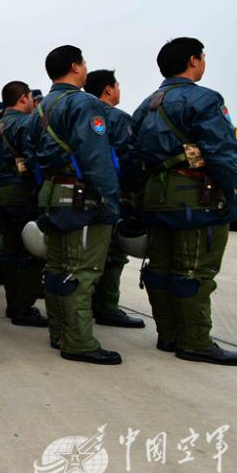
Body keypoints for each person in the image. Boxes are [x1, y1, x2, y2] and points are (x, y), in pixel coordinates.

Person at [131, 37, 237, 365]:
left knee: (161, 268)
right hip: (195, 196)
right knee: (194, 270)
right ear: (194, 60)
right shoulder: (204, 99)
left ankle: (168, 334)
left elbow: (132, 154)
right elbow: (222, 152)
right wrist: (232, 191)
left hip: (157, 197)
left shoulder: (146, 104)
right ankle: (195, 340)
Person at [33, 45, 121, 365]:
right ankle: (79, 341)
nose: (86, 68)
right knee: (81, 273)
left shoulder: (41, 108)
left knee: (57, 269)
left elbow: (35, 158)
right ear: (75, 66)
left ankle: (60, 331)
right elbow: (96, 158)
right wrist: (110, 201)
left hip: (54, 195)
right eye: (84, 63)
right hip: (82, 198)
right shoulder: (83, 103)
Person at [81, 70, 145, 329]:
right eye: (117, 85)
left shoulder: (79, 115)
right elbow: (129, 158)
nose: (119, 90)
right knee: (114, 253)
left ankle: (84, 307)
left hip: (81, 194)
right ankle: (106, 306)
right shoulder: (118, 119)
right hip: (115, 193)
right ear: (108, 89)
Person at [0, 81, 48, 327]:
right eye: (31, 97)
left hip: (3, 192)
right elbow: (35, 158)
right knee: (31, 253)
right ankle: (24, 307)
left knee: (9, 253)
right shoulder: (26, 123)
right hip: (24, 192)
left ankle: (13, 305)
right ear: (23, 98)